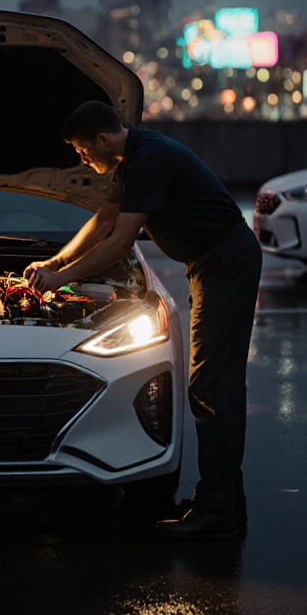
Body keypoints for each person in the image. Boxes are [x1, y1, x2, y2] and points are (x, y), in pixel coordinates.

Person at [25, 101, 261, 541]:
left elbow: (118, 244)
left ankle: (217, 511)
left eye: (81, 150)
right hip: (214, 263)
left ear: (102, 140)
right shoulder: (130, 162)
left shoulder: (149, 160)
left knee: (212, 387)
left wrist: (59, 279)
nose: (81, 159)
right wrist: (53, 261)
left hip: (224, 262)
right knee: (216, 386)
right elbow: (102, 221)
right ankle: (225, 502)